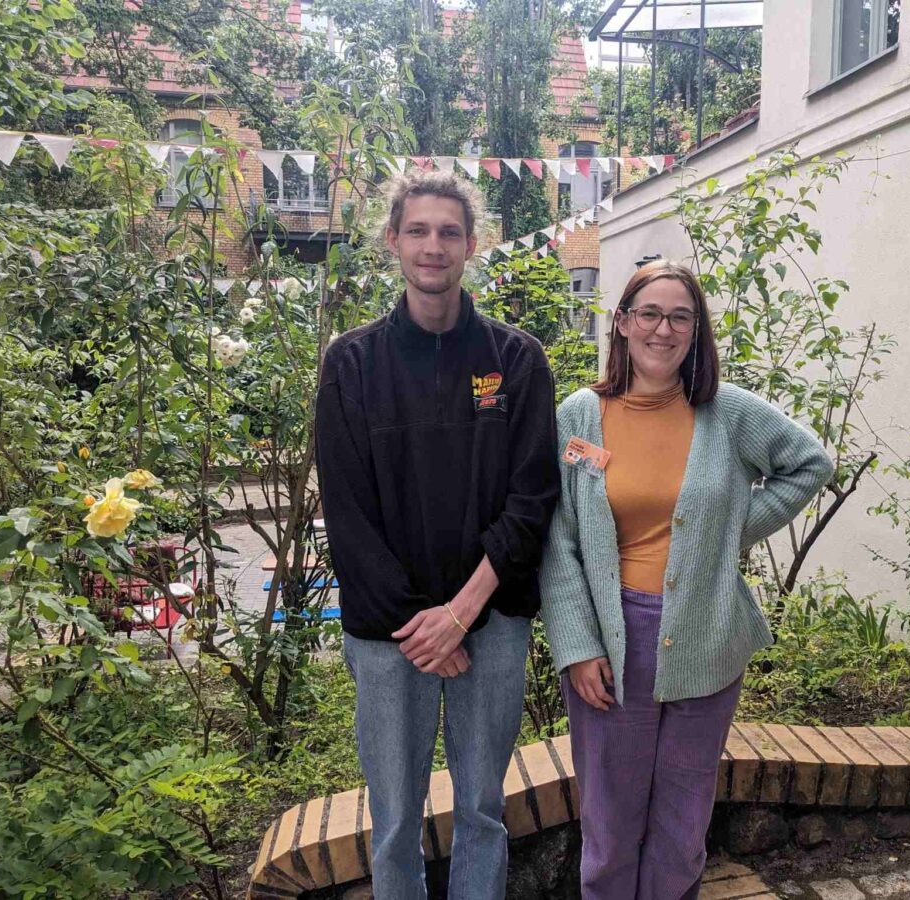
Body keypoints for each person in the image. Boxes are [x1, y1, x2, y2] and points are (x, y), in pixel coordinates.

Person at [540, 260, 833, 900]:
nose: (664, 329)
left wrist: (724, 533)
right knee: (611, 823)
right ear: (621, 324)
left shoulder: (725, 412)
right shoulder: (579, 417)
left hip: (706, 636)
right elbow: (558, 542)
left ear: (696, 331)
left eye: (681, 316)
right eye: (649, 313)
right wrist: (578, 646)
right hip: (613, 644)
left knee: (683, 818)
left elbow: (811, 464)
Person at [314, 170, 560, 900]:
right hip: (390, 635)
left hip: (490, 627)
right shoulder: (351, 365)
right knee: (393, 820)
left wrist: (461, 616)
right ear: (393, 240)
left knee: (483, 809)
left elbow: (532, 499)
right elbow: (348, 515)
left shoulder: (516, 361)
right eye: (417, 230)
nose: (433, 246)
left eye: (449, 232)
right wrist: (422, 624)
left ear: (471, 244)